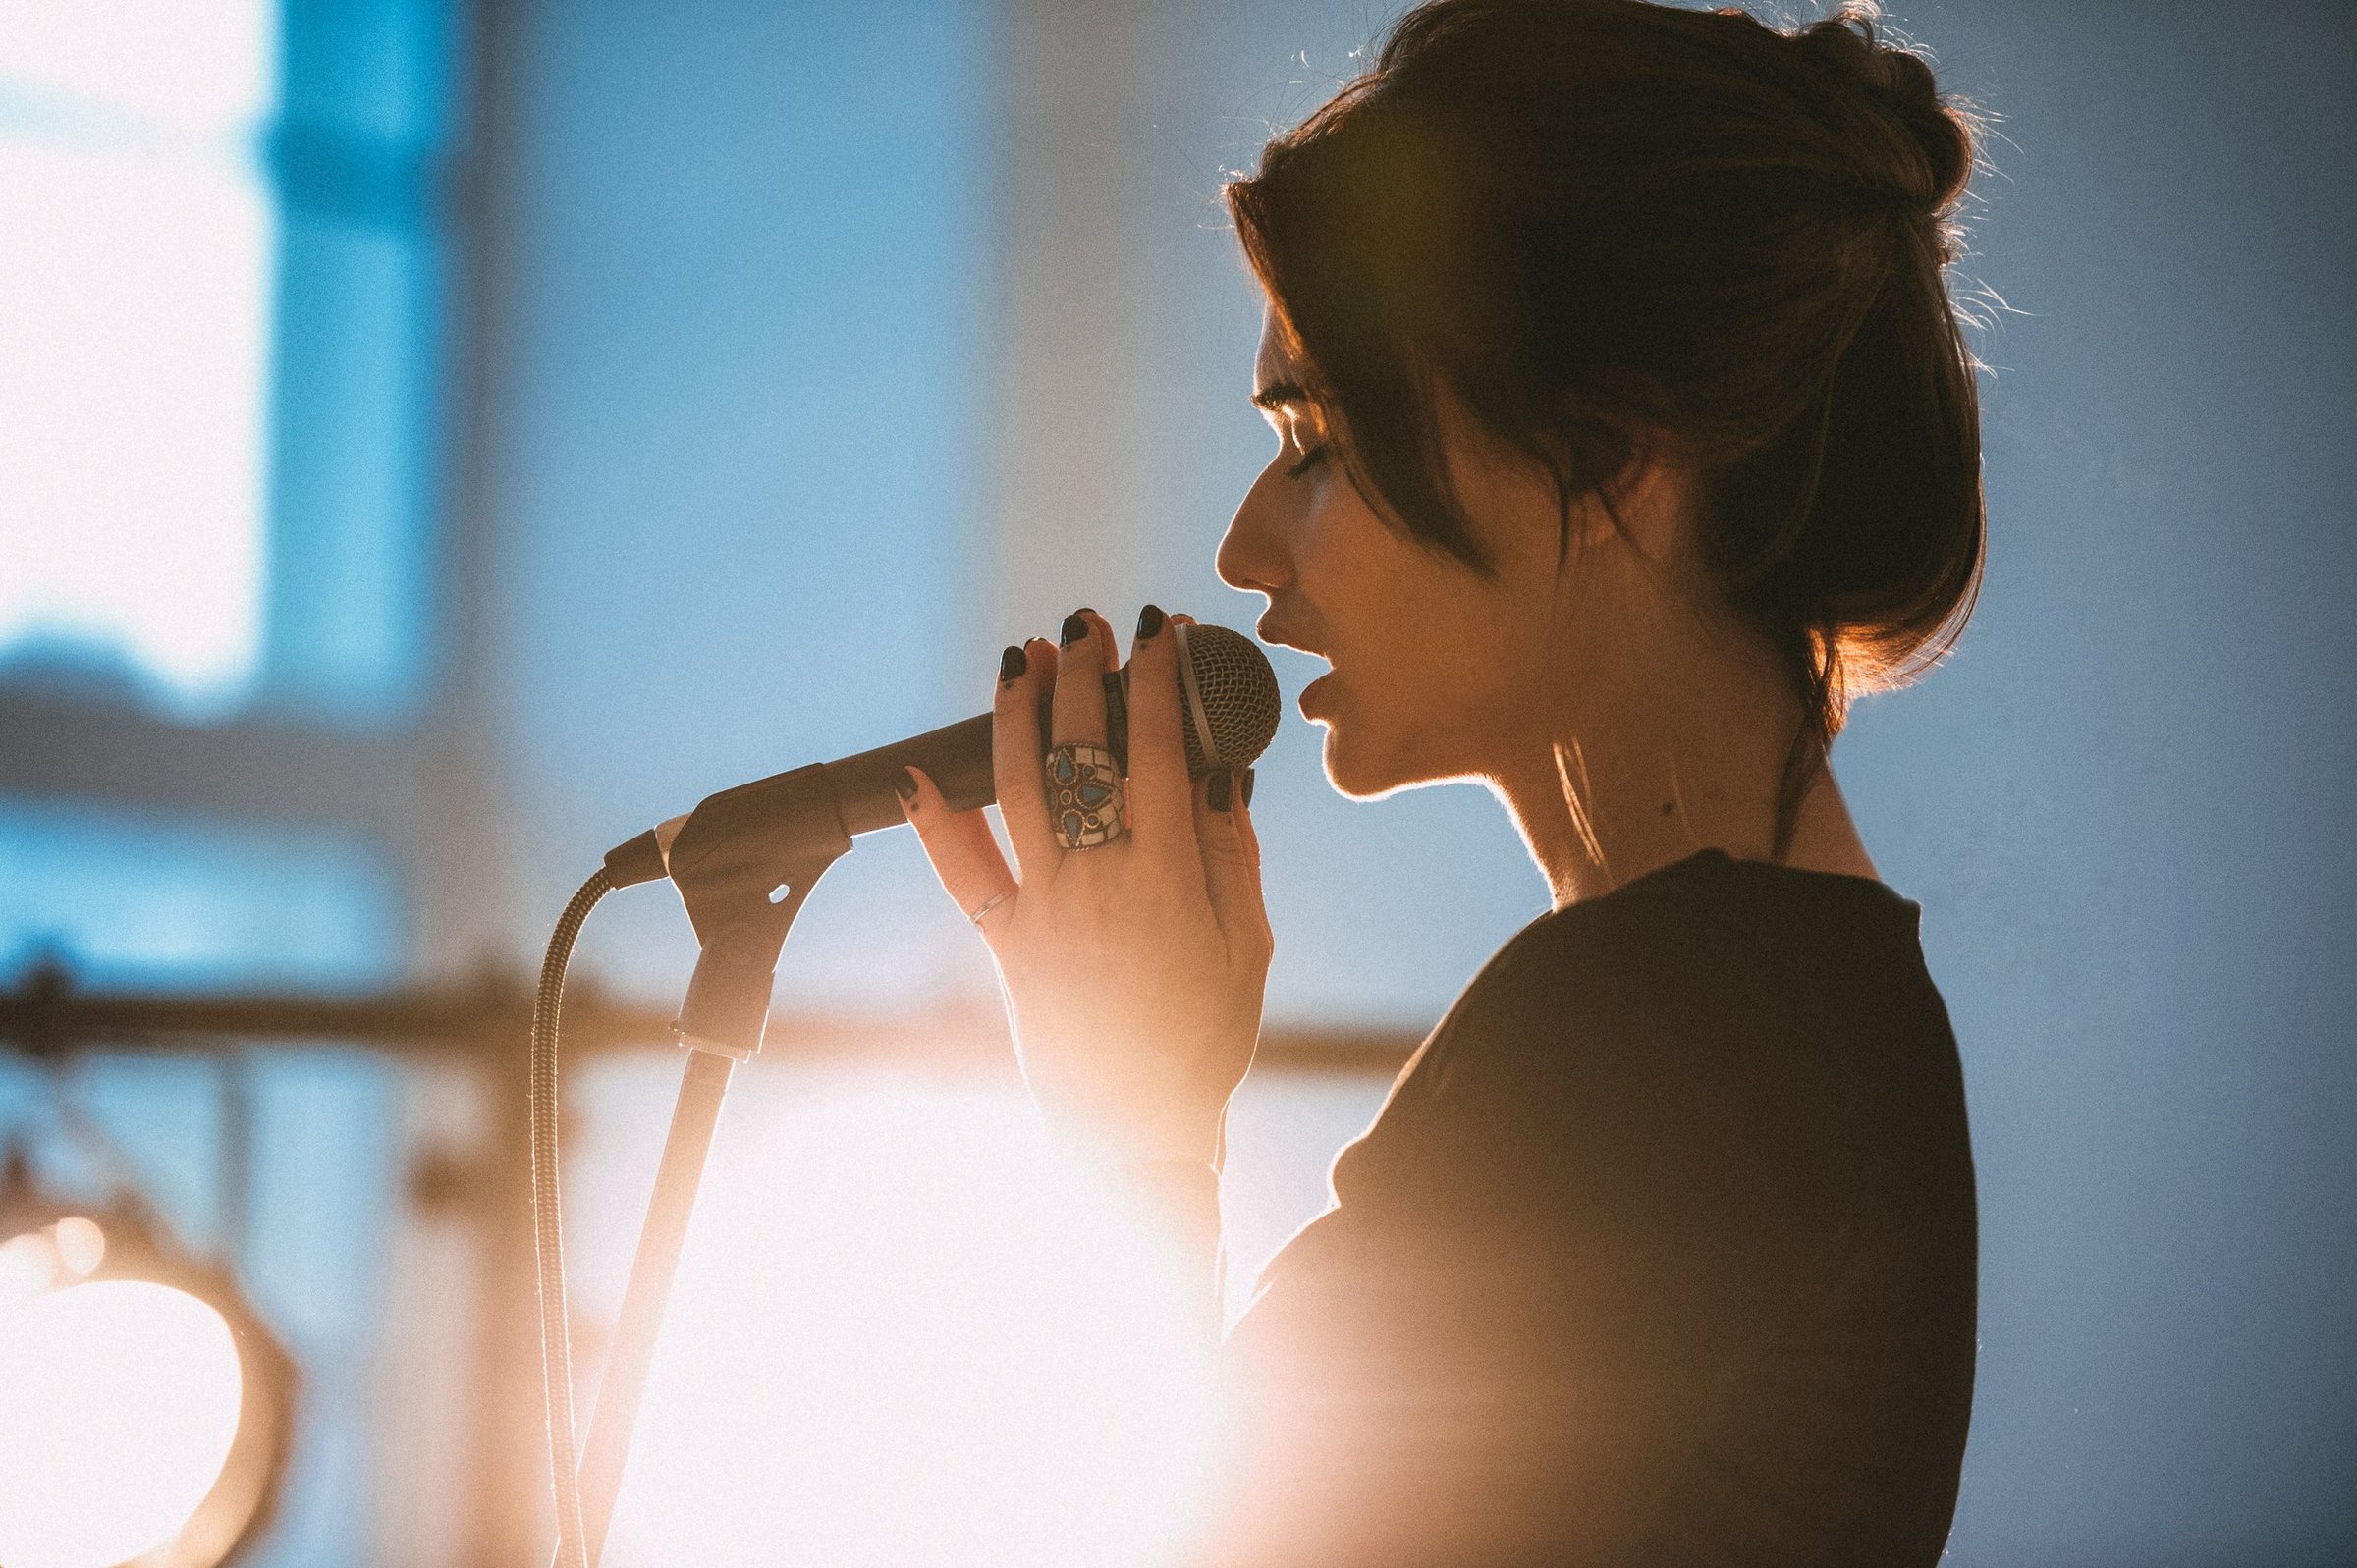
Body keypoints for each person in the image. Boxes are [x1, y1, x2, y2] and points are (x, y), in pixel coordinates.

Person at [897, 0, 1984, 1561]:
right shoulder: (1784, 1014)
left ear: (1605, 454)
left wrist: (1137, 1126)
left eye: (1321, 440)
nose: (1244, 549)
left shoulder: (1684, 1026)